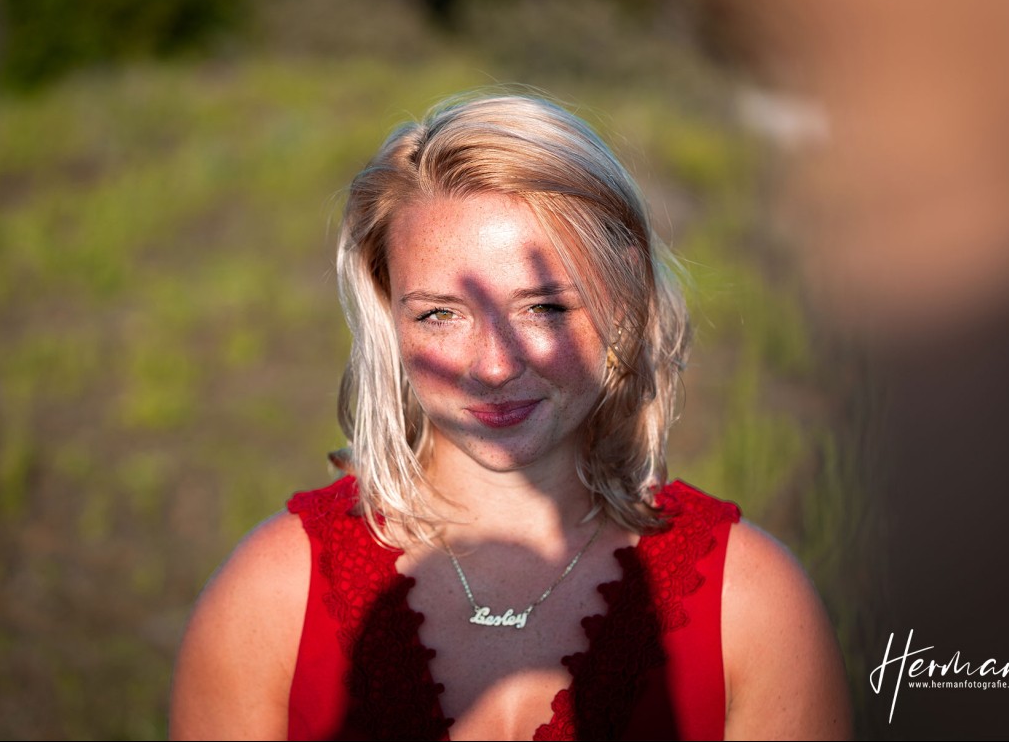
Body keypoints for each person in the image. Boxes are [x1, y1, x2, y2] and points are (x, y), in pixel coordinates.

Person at [169, 93, 851, 740]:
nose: (494, 365)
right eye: (441, 313)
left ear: (626, 296)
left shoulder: (752, 606)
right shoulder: (271, 595)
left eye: (545, 308)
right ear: (387, 315)